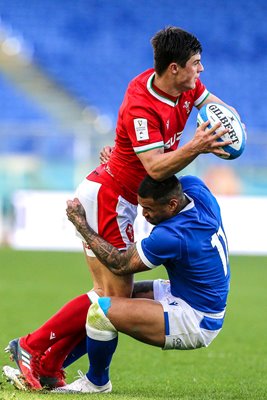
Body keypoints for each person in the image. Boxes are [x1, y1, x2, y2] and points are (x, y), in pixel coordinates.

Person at [4, 26, 239, 390]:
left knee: (113, 300)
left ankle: (43, 359)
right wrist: (198, 145)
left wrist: (231, 123)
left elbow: (217, 108)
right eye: (196, 63)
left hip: (125, 196)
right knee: (111, 300)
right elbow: (156, 168)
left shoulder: (186, 86)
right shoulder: (142, 104)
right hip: (111, 196)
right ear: (174, 67)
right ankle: (35, 351)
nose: (201, 70)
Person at [50, 174, 230, 393]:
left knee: (101, 312)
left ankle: (96, 383)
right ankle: (49, 368)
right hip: (184, 292)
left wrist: (81, 225)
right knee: (113, 293)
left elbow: (119, 264)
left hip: (195, 318)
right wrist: (120, 163)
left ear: (172, 204)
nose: (143, 215)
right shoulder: (196, 190)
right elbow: (160, 173)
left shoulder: (174, 235)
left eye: (149, 209)